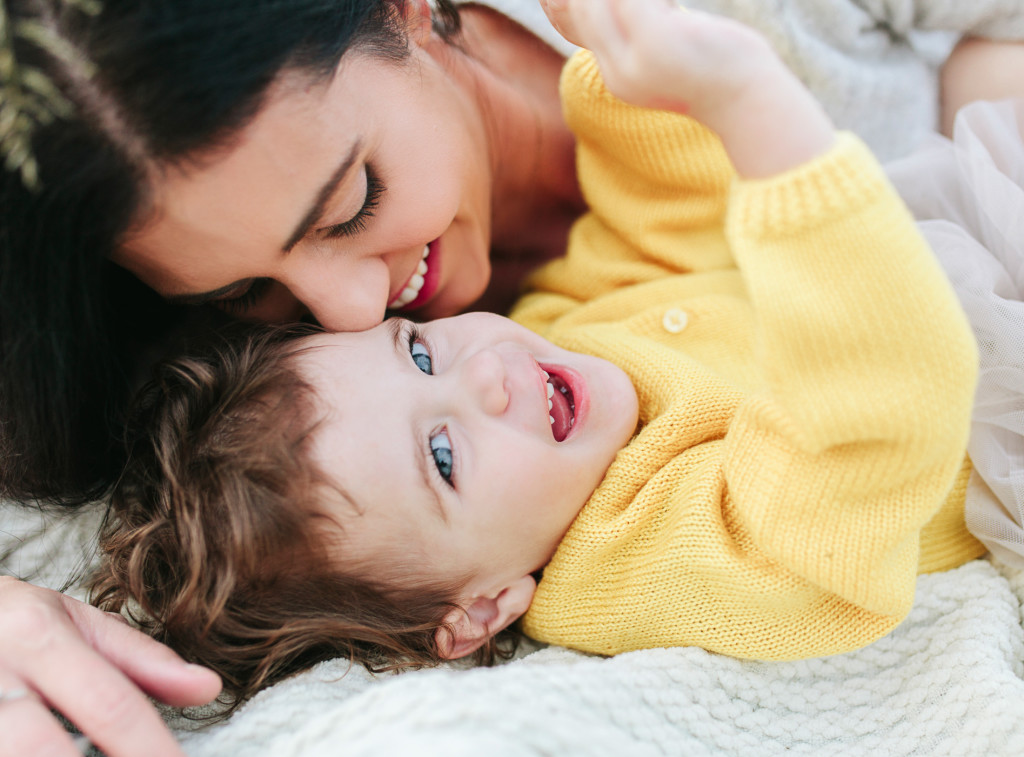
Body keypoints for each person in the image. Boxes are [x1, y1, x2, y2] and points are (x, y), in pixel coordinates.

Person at [2, 0, 1021, 751]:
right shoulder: (643, 557)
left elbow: (664, 210)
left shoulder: (546, 341)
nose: (358, 313)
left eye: (354, 199)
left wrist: (626, 69)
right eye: (243, 295)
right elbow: (874, 427)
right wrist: (753, 113)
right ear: (479, 607)